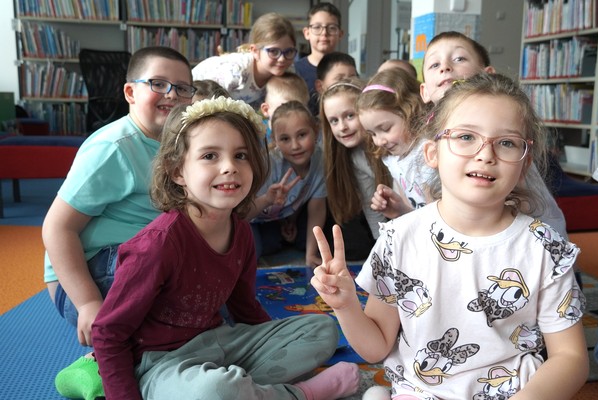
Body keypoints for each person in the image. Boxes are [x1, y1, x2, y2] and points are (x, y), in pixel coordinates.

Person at [312, 73, 589, 400]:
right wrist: (345, 306)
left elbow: (570, 357)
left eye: (506, 142)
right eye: (466, 137)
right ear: (432, 153)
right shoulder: (399, 238)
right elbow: (376, 348)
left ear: (524, 163)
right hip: (421, 392)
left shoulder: (545, 248)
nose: (486, 154)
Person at [91, 97, 360, 400]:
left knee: (322, 330)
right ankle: (300, 394)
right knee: (214, 389)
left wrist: (272, 342)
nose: (230, 167)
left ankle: (238, 389)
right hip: (162, 364)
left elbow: (245, 308)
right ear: (177, 171)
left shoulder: (240, 231)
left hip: (222, 344)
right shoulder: (156, 245)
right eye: (210, 156)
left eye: (241, 155)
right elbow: (108, 334)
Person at [42, 46, 195, 399]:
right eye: (158, 83)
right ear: (130, 92)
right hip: (87, 277)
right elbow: (56, 228)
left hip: (145, 263)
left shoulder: (179, 143)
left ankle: (133, 358)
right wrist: (87, 303)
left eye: (183, 88)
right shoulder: (114, 147)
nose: (172, 95)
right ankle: (98, 364)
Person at [373, 31, 569, 240]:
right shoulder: (432, 136)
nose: (445, 67)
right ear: (425, 92)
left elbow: (520, 209)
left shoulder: (506, 128)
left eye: (459, 59)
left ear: (488, 75)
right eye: (434, 64)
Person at [248, 100, 326, 268]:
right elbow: (241, 212)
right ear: (275, 141)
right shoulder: (269, 165)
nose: (295, 146)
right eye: (285, 139)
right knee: (254, 252)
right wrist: (267, 199)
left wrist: (310, 254)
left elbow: (316, 207)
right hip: (249, 217)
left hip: (277, 218)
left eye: (302, 135)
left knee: (289, 241)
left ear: (316, 132)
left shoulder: (320, 160)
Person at [320, 77, 391, 259]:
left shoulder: (389, 144)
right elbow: (371, 206)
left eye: (350, 116)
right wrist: (383, 249)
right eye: (334, 121)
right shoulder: (354, 158)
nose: (342, 127)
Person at [357, 68, 430, 216]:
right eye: (372, 134)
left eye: (385, 128)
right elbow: (414, 214)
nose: (379, 141)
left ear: (410, 111)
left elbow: (435, 216)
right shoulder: (394, 159)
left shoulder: (427, 154)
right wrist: (398, 210)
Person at [192, 12, 297, 109]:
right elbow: (203, 102)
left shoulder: (287, 71)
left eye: (289, 51)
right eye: (273, 51)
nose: (282, 59)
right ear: (255, 51)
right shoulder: (235, 72)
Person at [295, 2, 344, 115]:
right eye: (317, 27)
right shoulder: (296, 70)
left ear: (340, 34)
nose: (324, 33)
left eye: (332, 28)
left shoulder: (346, 69)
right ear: (307, 33)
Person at [259, 71, 310, 141]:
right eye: (283, 110)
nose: (292, 116)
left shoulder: (307, 130)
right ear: (266, 110)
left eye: (299, 109)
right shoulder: (257, 132)